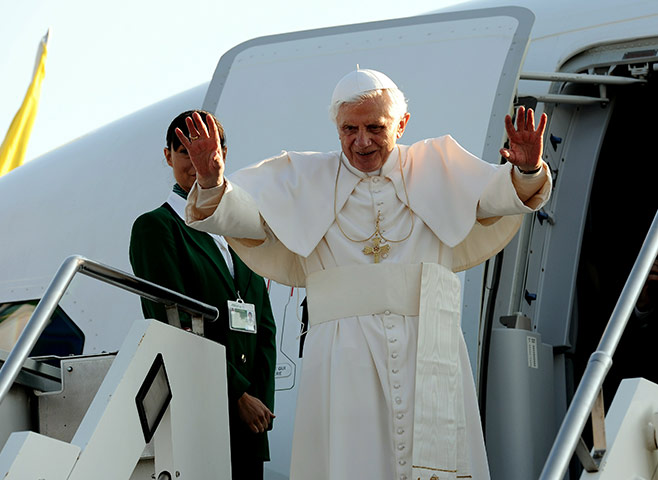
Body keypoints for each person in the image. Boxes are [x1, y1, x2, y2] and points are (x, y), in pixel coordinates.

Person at [178, 70, 552, 480]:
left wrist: (529, 169)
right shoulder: (303, 178)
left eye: (376, 128)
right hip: (343, 355)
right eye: (349, 129)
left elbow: (496, 196)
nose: (362, 141)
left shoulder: (437, 166)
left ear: (402, 124)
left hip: (427, 346)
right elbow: (248, 218)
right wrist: (213, 181)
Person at [128, 110, 276, 480]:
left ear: (222, 154)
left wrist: (260, 404)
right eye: (184, 151)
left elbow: (266, 329)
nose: (195, 162)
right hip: (204, 413)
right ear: (168, 157)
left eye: (205, 150)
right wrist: (238, 396)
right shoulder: (157, 228)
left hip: (250, 425)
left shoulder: (241, 227)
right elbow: (172, 322)